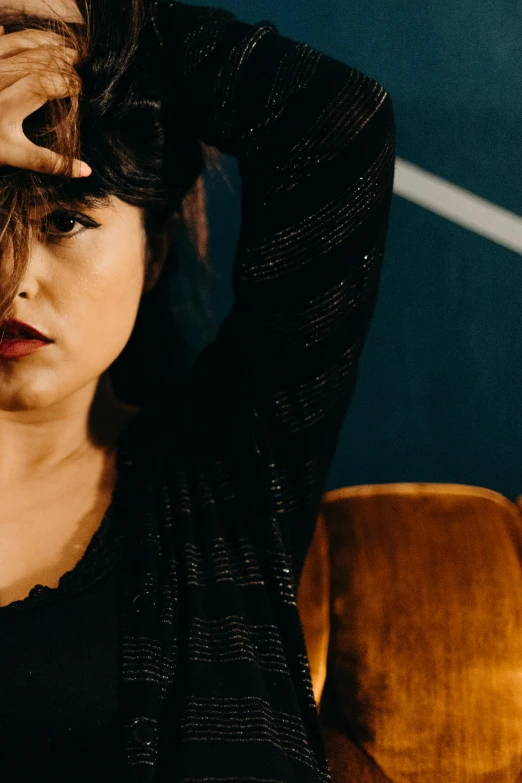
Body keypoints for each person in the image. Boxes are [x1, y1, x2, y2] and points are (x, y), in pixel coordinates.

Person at [0, 0, 396, 780]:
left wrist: (98, 37)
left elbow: (336, 124)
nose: (12, 280)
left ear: (152, 250)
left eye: (66, 223)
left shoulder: (228, 466)